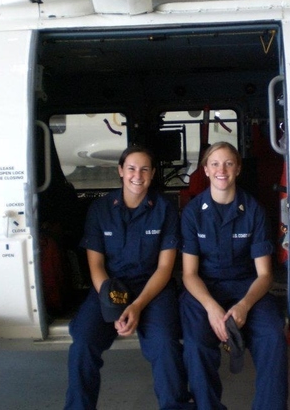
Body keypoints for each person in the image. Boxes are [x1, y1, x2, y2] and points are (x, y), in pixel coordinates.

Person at [64, 146, 193, 410]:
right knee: (83, 343)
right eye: (131, 168)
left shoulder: (165, 209)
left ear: (153, 173)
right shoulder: (100, 209)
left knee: (165, 345)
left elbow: (165, 268)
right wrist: (115, 304)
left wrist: (136, 306)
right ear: (121, 171)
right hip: (109, 287)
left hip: (153, 289)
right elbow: (96, 265)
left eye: (145, 169)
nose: (138, 175)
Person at [178, 141, 288, 410]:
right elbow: (189, 274)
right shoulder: (192, 213)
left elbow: (265, 275)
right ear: (205, 170)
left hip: (247, 288)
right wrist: (213, 308)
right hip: (205, 290)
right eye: (215, 163)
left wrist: (244, 305)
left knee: (273, 336)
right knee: (195, 345)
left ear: (238, 169)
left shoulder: (254, 211)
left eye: (228, 163)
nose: (221, 170)